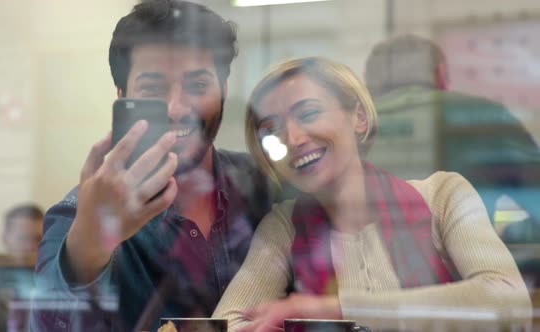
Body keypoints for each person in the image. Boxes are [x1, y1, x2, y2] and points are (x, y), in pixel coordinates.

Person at [212, 57, 531, 331]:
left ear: (359, 118)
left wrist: (331, 310)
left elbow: (507, 300)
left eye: (308, 113)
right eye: (271, 130)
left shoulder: (444, 195)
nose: (292, 138)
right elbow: (228, 323)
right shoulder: (284, 225)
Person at [31, 1, 272, 331]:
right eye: (153, 88)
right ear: (122, 94)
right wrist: (88, 246)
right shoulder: (81, 213)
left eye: (198, 85)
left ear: (224, 90)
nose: (175, 108)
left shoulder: (263, 186)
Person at [364, 34, 540, 239]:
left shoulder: (352, 128)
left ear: (368, 84)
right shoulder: (484, 114)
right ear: (440, 73)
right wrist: (512, 238)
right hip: (467, 262)